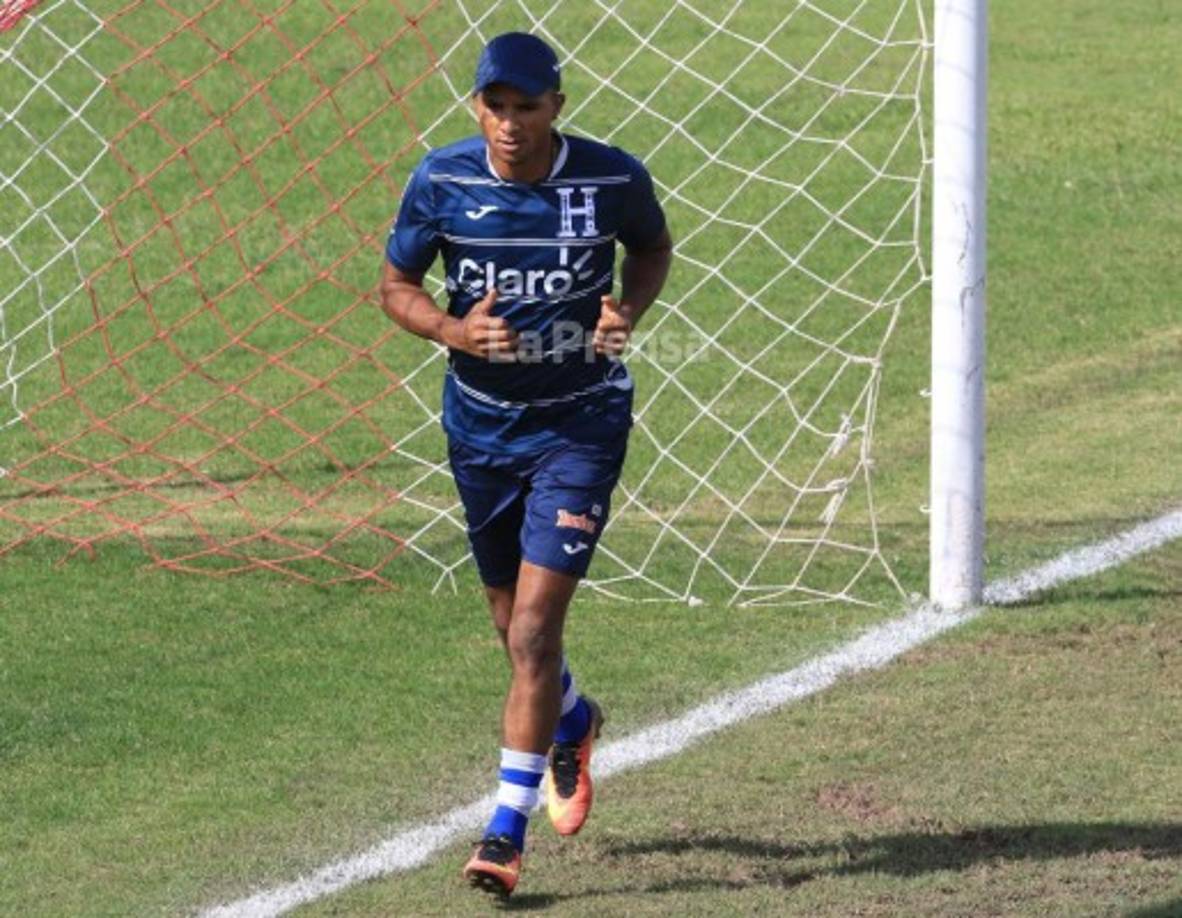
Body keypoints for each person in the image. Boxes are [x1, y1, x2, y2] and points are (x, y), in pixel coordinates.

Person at [380, 31, 672, 898]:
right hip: (479, 427)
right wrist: (452, 330)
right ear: (478, 107)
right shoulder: (442, 180)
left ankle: (504, 831)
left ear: (558, 108)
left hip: (580, 424)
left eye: (527, 108)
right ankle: (573, 720)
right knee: (513, 632)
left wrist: (628, 311)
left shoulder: (612, 178)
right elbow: (395, 287)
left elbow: (652, 248)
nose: (509, 124)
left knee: (537, 631)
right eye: (494, 107)